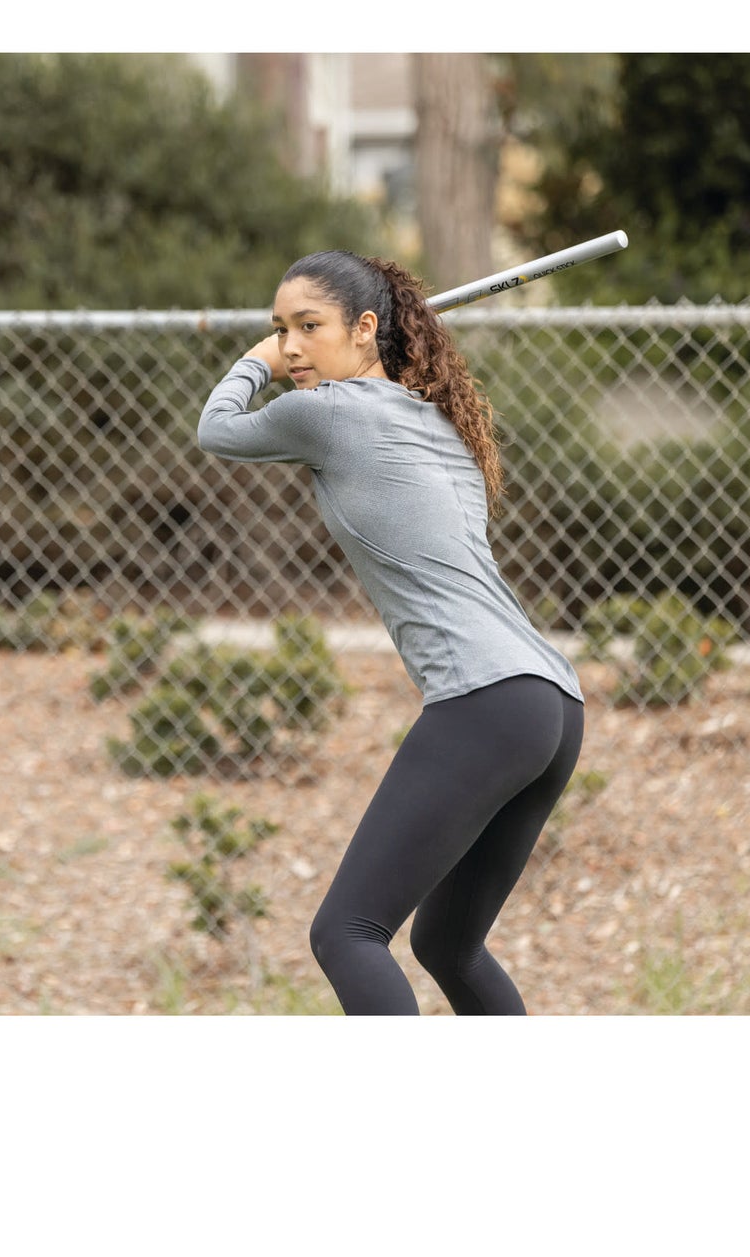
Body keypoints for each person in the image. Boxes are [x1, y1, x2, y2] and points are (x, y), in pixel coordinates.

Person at [197, 250, 585, 1015]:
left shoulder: (327, 414)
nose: (293, 346)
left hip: (483, 701)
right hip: (550, 705)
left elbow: (217, 431)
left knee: (346, 933)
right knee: (447, 945)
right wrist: (294, 347)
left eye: (308, 327)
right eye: (281, 329)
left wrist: (255, 358)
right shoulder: (432, 417)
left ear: (366, 329)